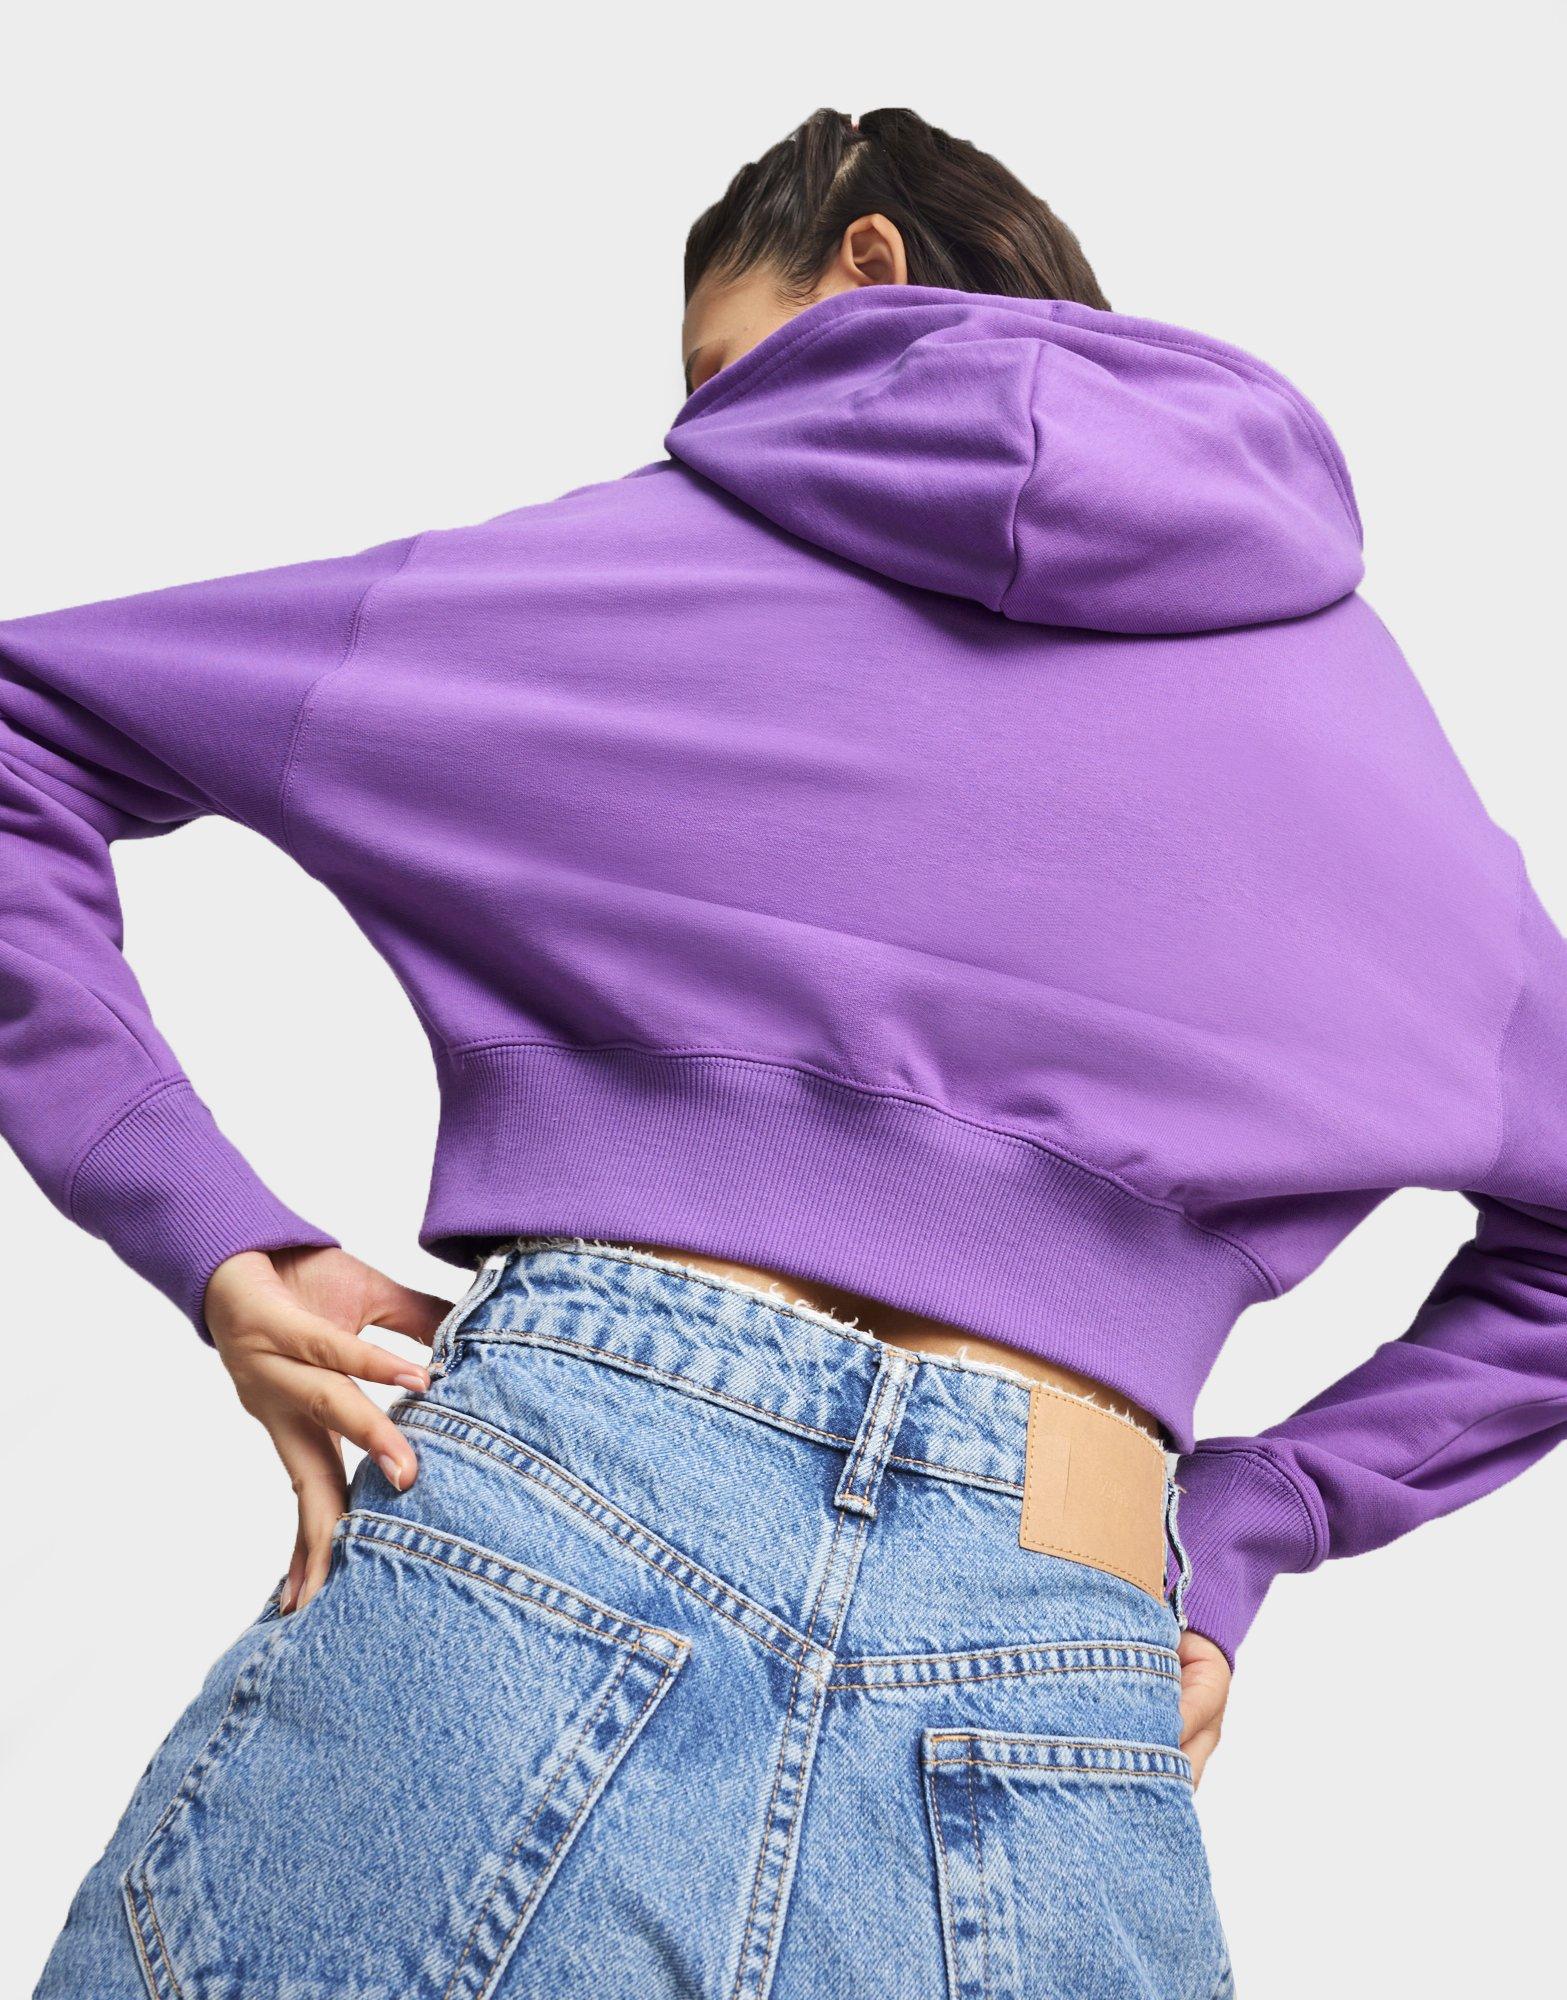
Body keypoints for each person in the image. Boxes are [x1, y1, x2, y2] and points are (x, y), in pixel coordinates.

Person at [13, 104, 1565, 1998]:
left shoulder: (645, 563)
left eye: (717, 370)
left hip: (562, 1493)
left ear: (867, 266)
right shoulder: (1370, 737)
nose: (712, 431)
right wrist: (1251, 1514)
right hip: (1061, 1614)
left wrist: (209, 1228)